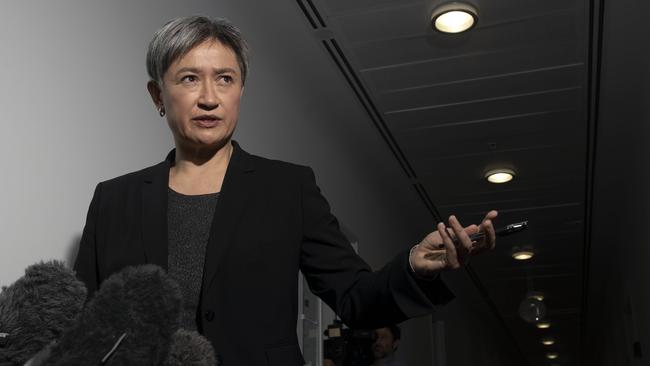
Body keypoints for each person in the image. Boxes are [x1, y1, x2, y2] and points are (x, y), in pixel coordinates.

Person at [73, 15, 498, 366]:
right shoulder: (114, 200)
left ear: (240, 90)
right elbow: (84, 328)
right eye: (188, 79)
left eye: (224, 78)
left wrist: (414, 266)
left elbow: (354, 297)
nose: (209, 98)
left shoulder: (287, 188)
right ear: (158, 95)